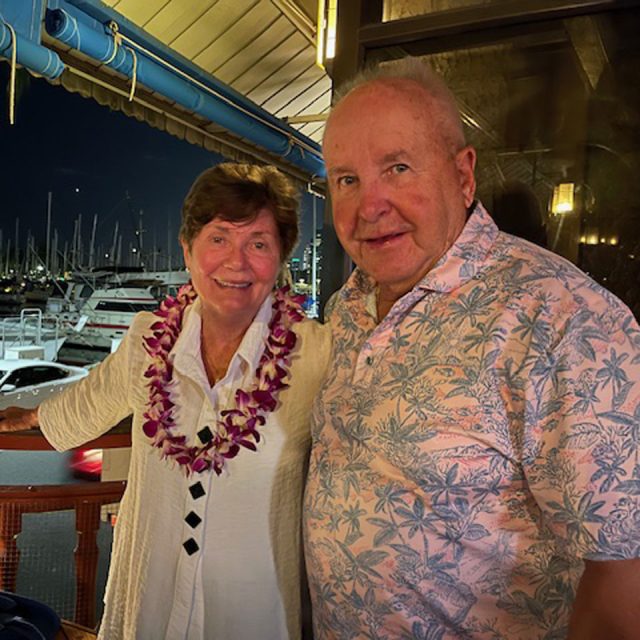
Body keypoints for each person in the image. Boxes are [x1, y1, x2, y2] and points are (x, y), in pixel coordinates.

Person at [303, 57, 640, 639]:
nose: (368, 206)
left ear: (463, 175)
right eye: (346, 179)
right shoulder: (349, 305)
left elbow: (622, 575)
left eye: (398, 167)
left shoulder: (563, 319)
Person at [0, 162, 331, 640]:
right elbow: (89, 402)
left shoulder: (314, 356)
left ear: (280, 258)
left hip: (253, 611)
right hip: (151, 598)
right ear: (188, 249)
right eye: (219, 238)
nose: (236, 261)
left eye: (258, 243)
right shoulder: (147, 340)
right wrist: (28, 416)